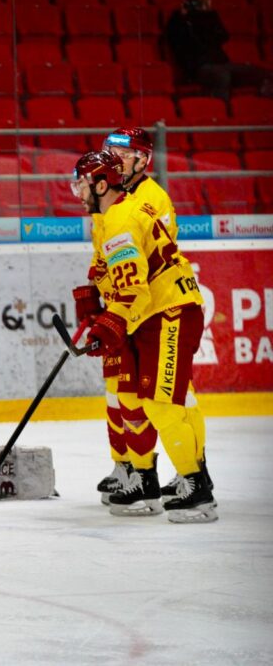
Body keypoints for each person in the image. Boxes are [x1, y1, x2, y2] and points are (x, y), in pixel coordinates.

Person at [70, 150, 216, 523]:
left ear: (100, 186)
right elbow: (114, 271)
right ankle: (145, 480)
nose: (77, 192)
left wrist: (110, 322)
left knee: (162, 404)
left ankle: (196, 488)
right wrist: (95, 295)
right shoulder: (111, 215)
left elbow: (135, 292)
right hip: (150, 315)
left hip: (169, 312)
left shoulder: (121, 221)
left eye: (82, 185)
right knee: (131, 397)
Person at [165, 0, 272, 100]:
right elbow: (180, 41)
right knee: (222, 76)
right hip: (200, 67)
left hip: (221, 63)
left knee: (264, 74)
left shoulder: (210, 15)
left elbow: (222, 37)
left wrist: (207, 13)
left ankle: (258, 105)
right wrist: (183, 17)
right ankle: (219, 106)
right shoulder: (178, 17)